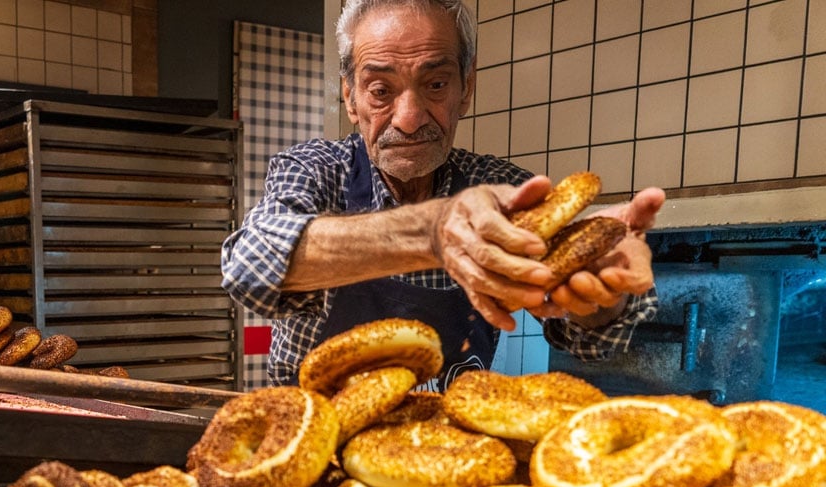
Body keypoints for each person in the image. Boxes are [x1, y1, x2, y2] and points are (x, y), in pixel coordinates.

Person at [221, 0, 665, 391]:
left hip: (446, 447)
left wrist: (601, 295)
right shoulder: (314, 170)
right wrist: (435, 232)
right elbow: (251, 267)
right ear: (351, 98)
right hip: (311, 441)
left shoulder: (502, 192)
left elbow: (590, 340)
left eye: (435, 84)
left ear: (465, 89)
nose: (410, 119)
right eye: (381, 90)